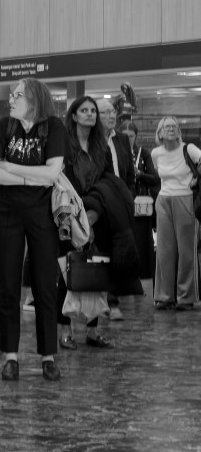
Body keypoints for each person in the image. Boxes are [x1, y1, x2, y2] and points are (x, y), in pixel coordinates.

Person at [0, 77, 67, 382]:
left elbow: (52, 173)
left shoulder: (53, 127)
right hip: (8, 213)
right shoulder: (5, 126)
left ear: (34, 99)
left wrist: (9, 167)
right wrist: (31, 178)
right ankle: (11, 356)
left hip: (43, 214)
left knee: (45, 284)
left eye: (18, 95)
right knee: (8, 285)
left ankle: (48, 356)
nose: (12, 98)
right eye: (12, 94)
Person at [57, 96, 130, 350]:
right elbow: (61, 181)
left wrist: (94, 212)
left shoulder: (101, 146)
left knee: (98, 272)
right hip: (67, 215)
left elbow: (109, 182)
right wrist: (78, 216)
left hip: (98, 216)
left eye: (92, 111)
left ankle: (92, 332)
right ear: (74, 116)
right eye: (84, 110)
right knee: (65, 274)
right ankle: (64, 331)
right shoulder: (64, 144)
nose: (90, 114)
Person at [150, 117, 201, 310]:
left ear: (178, 131)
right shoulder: (156, 153)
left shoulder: (189, 149)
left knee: (186, 250)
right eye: (166, 126)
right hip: (163, 200)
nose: (170, 129)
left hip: (186, 199)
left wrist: (196, 180)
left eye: (174, 126)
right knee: (164, 250)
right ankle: (165, 296)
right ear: (160, 133)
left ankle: (186, 297)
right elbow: (158, 175)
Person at [95, 97, 138, 320]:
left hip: (121, 204)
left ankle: (112, 301)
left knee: (119, 254)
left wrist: (128, 196)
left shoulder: (121, 139)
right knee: (100, 254)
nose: (111, 116)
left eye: (113, 112)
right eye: (105, 113)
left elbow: (130, 173)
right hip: (100, 204)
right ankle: (102, 301)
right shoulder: (90, 141)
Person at [121, 118, 158, 280]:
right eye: (125, 135)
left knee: (142, 239)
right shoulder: (114, 152)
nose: (128, 138)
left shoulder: (144, 153)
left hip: (141, 203)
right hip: (122, 202)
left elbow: (155, 178)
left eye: (131, 136)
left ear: (136, 136)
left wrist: (140, 174)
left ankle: (143, 273)